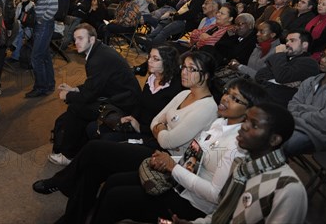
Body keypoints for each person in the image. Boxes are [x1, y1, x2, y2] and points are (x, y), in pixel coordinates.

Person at [32, 51, 218, 224]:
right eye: (184, 67)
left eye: (192, 69)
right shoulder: (185, 93)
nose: (184, 72)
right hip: (153, 144)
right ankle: (73, 216)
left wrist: (160, 129)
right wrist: (160, 128)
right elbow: (155, 121)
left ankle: (63, 182)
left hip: (165, 158)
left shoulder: (207, 107)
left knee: (95, 149)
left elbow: (167, 141)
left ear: (207, 75)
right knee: (94, 165)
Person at [88, 79, 268, 224]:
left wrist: (173, 167)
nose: (226, 98)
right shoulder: (219, 123)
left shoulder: (238, 144)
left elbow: (215, 195)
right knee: (113, 181)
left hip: (193, 204)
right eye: (228, 92)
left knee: (115, 198)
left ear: (249, 111)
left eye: (236, 99)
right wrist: (167, 159)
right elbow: (195, 157)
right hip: (178, 183)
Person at [172, 103, 308, 224]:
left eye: (254, 125)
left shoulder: (287, 187)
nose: (243, 126)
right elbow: (226, 214)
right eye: (246, 120)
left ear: (274, 140)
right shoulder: (242, 167)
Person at [49, 24, 141, 165]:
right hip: (118, 95)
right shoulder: (99, 52)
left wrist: (67, 96)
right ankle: (76, 149)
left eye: (80, 38)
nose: (76, 42)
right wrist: (75, 90)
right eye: (75, 39)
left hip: (123, 104)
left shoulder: (97, 59)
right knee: (78, 107)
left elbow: (91, 93)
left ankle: (69, 155)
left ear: (91, 39)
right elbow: (96, 84)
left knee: (75, 108)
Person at [94, 45, 182, 141]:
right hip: (137, 123)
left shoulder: (175, 88)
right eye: (149, 57)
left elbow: (167, 124)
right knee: (93, 128)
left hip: (151, 134)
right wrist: (130, 118)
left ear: (167, 63)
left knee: (105, 139)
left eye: (155, 59)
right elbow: (141, 104)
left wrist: (140, 128)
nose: (149, 61)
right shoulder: (151, 78)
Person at [284, 44, 326, 156]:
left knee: (284, 142)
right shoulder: (310, 81)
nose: (322, 60)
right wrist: (313, 111)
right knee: (267, 131)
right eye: (323, 55)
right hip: (294, 123)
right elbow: (292, 104)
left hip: (318, 135)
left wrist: (300, 112)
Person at [254, 30, 320, 107]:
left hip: (278, 106)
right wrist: (278, 81)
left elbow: (282, 76)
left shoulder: (310, 63)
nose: (287, 43)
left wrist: (279, 54)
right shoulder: (285, 58)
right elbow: (259, 75)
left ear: (304, 44)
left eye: (292, 40)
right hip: (263, 99)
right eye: (287, 41)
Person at [25, 0, 58, 98]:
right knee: (44, 56)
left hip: (44, 23)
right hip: (43, 23)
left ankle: (41, 87)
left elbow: (53, 7)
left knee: (36, 56)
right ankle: (49, 83)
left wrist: (41, 19)